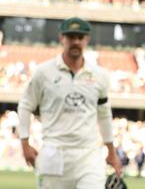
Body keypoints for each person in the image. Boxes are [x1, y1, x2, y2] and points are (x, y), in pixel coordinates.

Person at [18, 17, 122, 188]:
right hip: (54, 153)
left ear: (87, 40)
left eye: (80, 38)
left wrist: (111, 151)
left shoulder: (99, 76)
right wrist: (24, 143)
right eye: (71, 37)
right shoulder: (44, 73)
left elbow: (104, 115)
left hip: (88, 155)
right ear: (62, 38)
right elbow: (25, 105)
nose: (75, 42)